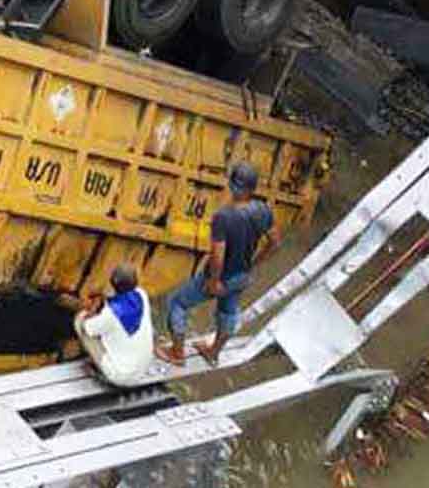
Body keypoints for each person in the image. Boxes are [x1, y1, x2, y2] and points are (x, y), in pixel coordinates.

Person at [157, 161, 282, 366]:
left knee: (177, 303)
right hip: (242, 276)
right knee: (228, 312)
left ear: (232, 185)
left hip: (220, 278)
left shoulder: (223, 217)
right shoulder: (263, 210)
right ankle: (213, 353)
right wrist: (253, 264)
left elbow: (218, 256)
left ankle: (177, 353)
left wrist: (214, 281)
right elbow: (275, 242)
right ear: (253, 188)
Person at [74, 263, 154, 386]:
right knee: (112, 330)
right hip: (142, 368)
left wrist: (92, 308)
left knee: (80, 323)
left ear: (112, 282)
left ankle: (95, 365)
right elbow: (116, 294)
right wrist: (103, 295)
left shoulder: (110, 314)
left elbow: (87, 327)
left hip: (121, 376)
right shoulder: (142, 295)